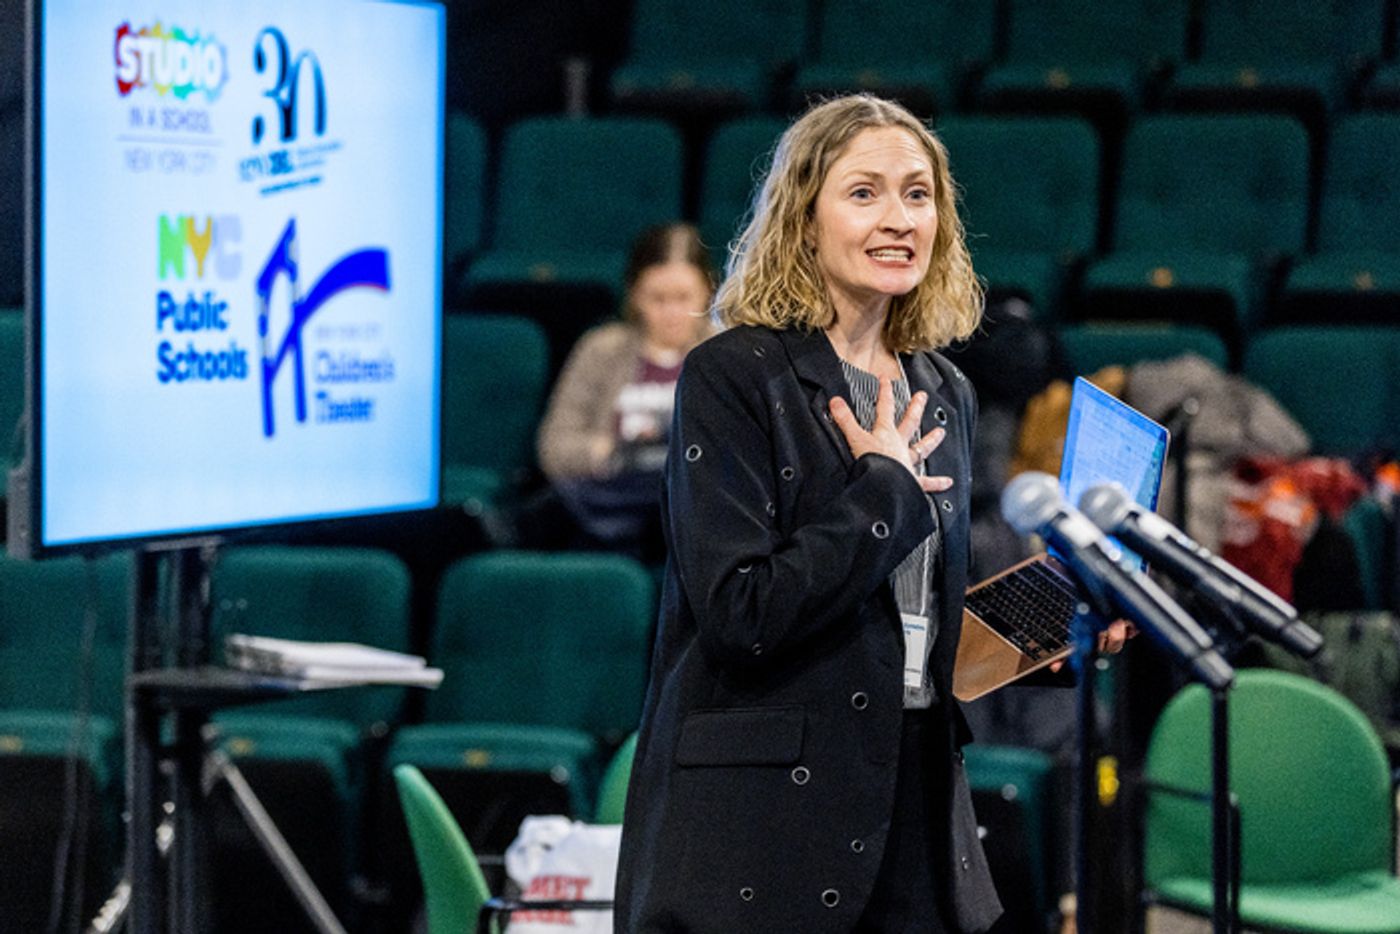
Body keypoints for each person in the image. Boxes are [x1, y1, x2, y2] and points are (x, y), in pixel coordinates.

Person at [615, 95, 1128, 933]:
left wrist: (1062, 626)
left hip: (912, 815)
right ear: (803, 218)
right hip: (763, 835)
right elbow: (744, 612)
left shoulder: (945, 390)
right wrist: (885, 488)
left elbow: (919, 640)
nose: (899, 219)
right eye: (865, 193)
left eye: (918, 194)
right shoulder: (731, 376)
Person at [530, 223, 715, 560]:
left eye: (684, 298)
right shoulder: (601, 349)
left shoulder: (726, 351)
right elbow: (554, 447)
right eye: (657, 299)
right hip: (616, 489)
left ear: (707, 291)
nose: (671, 313)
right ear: (634, 295)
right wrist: (607, 451)